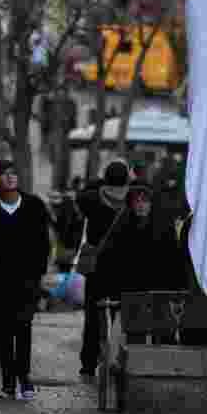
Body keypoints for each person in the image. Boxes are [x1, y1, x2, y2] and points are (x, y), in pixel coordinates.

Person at [0, 160, 51, 401]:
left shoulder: (34, 206)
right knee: (4, 332)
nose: (10, 178)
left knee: (24, 327)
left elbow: (43, 243)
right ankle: (8, 383)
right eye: (5, 174)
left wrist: (38, 273)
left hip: (27, 279)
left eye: (13, 173)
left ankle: (25, 380)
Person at [98, 182, 187, 342]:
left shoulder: (163, 225)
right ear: (130, 204)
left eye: (144, 201)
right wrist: (110, 289)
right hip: (132, 292)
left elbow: (174, 258)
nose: (140, 205)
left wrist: (178, 290)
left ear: (151, 203)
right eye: (136, 201)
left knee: (163, 336)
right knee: (134, 337)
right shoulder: (122, 226)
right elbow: (107, 257)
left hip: (160, 292)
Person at [75, 158, 131, 377]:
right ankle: (121, 358)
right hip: (123, 264)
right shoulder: (132, 200)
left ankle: (89, 362)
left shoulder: (91, 199)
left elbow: (83, 193)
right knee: (123, 315)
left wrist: (98, 182)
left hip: (97, 266)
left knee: (92, 315)